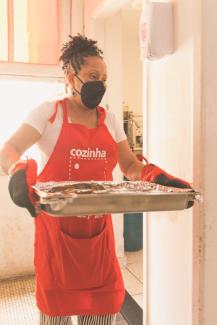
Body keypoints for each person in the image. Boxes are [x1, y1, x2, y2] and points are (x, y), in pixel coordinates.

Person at [0, 34, 192, 325]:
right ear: (71, 77)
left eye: (104, 77)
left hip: (99, 240)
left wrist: (159, 177)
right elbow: (9, 151)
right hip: (56, 241)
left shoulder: (110, 120)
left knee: (103, 311)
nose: (100, 84)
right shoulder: (48, 113)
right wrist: (17, 172)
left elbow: (129, 165)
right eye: (92, 76)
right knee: (56, 314)